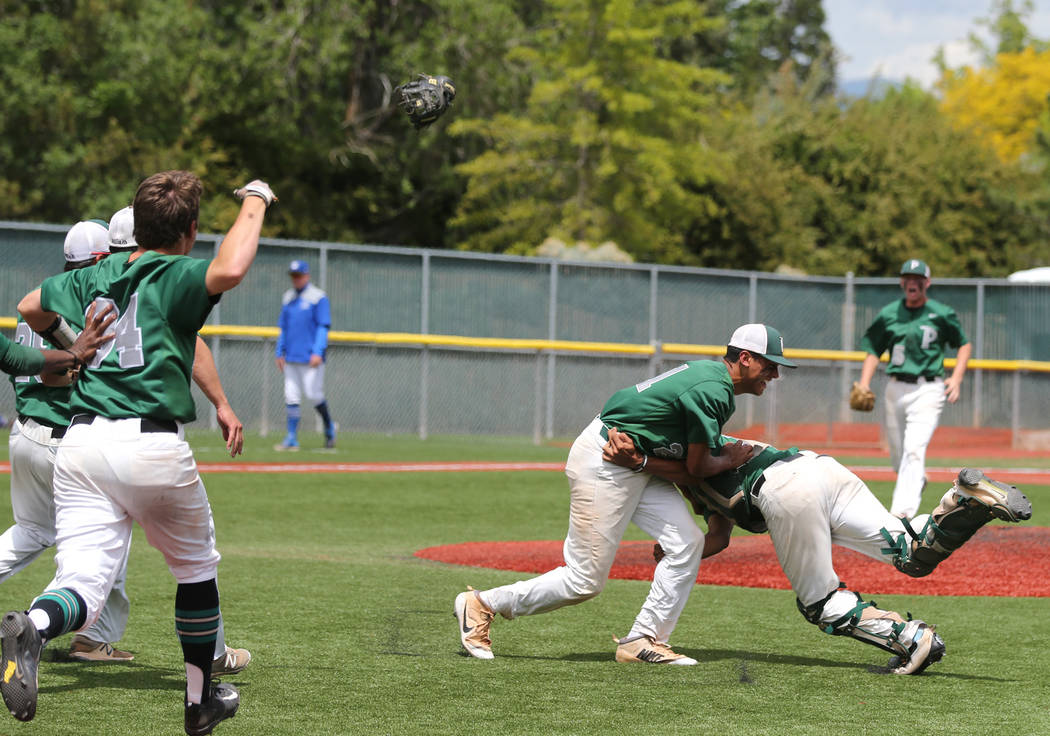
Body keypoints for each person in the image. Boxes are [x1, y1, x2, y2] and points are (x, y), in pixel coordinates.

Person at [1, 172, 275, 735]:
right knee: (196, 569)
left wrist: (70, 348)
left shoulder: (97, 273)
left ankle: (32, 625)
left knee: (82, 582)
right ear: (190, 231)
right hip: (149, 444)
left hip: (79, 443)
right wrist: (256, 199)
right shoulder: (174, 271)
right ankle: (200, 702)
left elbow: (30, 305)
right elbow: (231, 268)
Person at [454, 324, 796, 664]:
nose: (776, 373)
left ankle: (643, 640)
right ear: (747, 358)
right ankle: (483, 604)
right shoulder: (713, 388)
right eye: (770, 364)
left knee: (687, 543)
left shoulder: (711, 380)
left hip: (632, 462)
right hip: (605, 460)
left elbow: (674, 455)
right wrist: (726, 461)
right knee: (584, 580)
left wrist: (648, 461)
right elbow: (698, 467)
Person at [601, 427, 1032, 674]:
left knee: (820, 603)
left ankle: (912, 637)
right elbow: (719, 532)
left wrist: (639, 463)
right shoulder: (695, 463)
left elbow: (697, 465)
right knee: (913, 554)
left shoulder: (687, 455)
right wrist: (680, 550)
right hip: (818, 469)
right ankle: (964, 500)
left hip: (787, 490)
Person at [853, 259, 971, 518]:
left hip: (929, 389)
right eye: (907, 277)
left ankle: (900, 514)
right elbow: (874, 349)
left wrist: (957, 377)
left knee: (914, 450)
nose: (912, 282)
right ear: (901, 282)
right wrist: (864, 382)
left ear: (927, 283)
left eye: (918, 278)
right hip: (895, 388)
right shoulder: (889, 314)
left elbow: (963, 344)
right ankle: (916, 479)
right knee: (898, 454)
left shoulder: (941, 313)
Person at [274, 259, 336, 450]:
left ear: (307, 275)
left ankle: (329, 427)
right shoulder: (288, 298)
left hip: (310, 357)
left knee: (313, 394)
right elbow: (283, 328)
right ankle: (291, 437)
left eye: (299, 275)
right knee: (291, 396)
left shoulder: (318, 297)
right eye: (293, 276)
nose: (296, 279)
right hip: (291, 356)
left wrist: (318, 351)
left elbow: (323, 326)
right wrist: (279, 351)